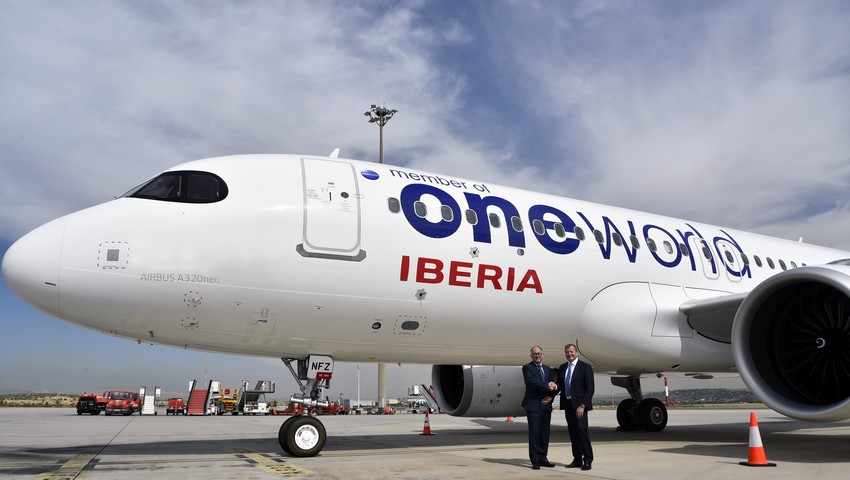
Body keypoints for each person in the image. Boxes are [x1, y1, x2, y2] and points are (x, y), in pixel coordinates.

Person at [557, 343, 595, 470]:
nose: (570, 354)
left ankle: (588, 460)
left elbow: (590, 389)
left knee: (582, 432)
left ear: (577, 352)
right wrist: (552, 389)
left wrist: (582, 405)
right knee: (573, 434)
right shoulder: (562, 368)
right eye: (567, 352)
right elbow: (560, 386)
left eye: (572, 351)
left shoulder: (585, 367)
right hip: (568, 405)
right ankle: (577, 459)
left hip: (580, 406)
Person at [522, 346, 558, 469]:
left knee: (544, 434)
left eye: (539, 353)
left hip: (546, 406)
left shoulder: (547, 369)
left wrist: (552, 397)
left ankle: (543, 457)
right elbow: (531, 382)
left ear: (542, 355)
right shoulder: (527, 368)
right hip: (533, 405)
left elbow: (553, 385)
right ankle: (535, 460)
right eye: (534, 354)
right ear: (531, 355)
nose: (537, 355)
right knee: (534, 434)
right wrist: (547, 385)